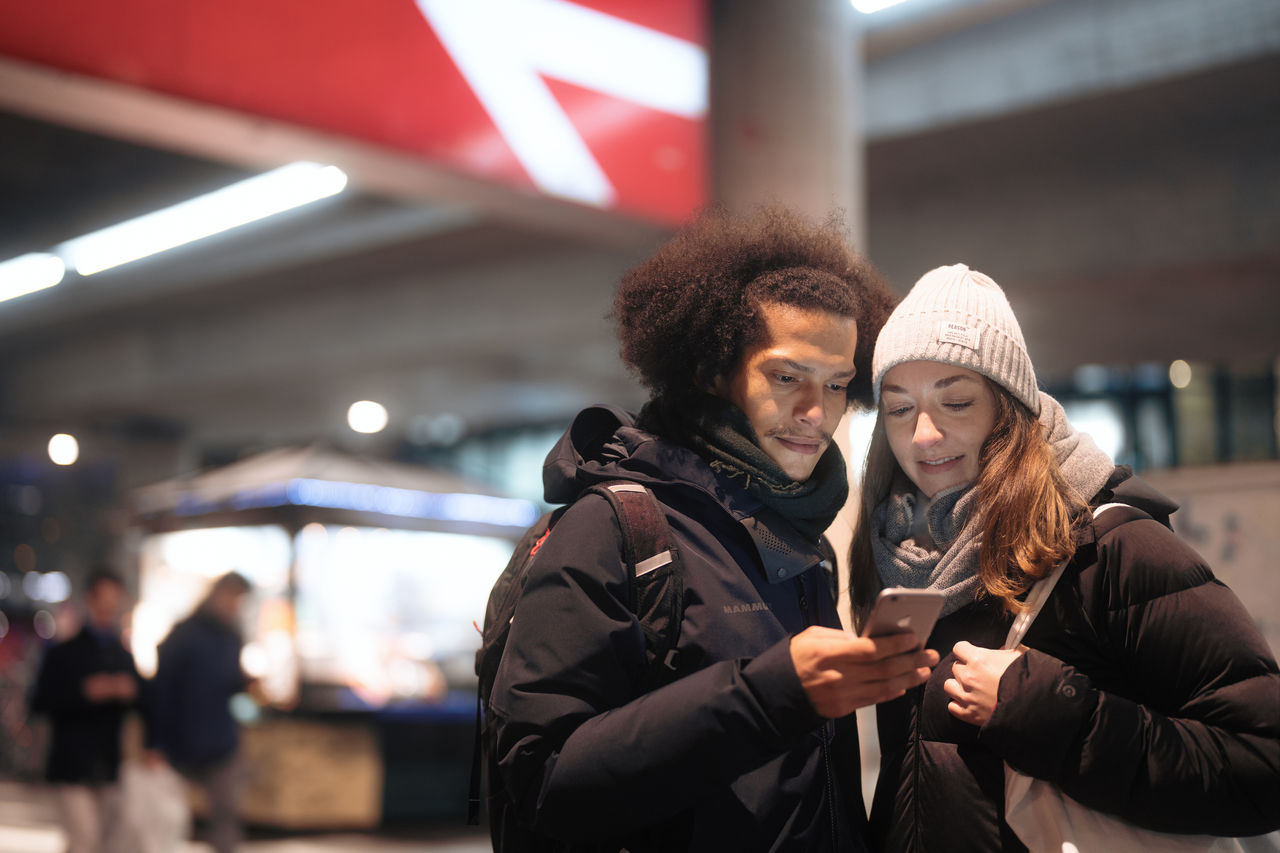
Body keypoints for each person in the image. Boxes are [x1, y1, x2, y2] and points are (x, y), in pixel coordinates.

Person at [490, 207, 939, 852]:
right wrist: (768, 693)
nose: (817, 414)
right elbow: (544, 780)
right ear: (710, 369)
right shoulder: (614, 528)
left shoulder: (804, 543)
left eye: (838, 384)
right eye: (786, 378)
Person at [848, 263, 1280, 850]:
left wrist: (1045, 707)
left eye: (956, 402)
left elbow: (1264, 761)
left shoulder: (1112, 548)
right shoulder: (898, 555)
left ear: (1009, 406)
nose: (923, 434)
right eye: (900, 409)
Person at [28, 567, 141, 853]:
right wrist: (85, 692)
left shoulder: (122, 655)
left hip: (108, 764)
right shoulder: (64, 653)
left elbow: (144, 702)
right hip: (71, 765)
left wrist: (128, 692)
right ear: (90, 600)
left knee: (99, 842)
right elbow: (40, 702)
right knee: (84, 840)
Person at [147, 571, 252, 853]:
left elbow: (228, 683)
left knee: (225, 817)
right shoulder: (186, 634)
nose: (235, 605)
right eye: (232, 598)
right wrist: (155, 742)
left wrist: (244, 683)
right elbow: (162, 689)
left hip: (220, 742)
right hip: (181, 742)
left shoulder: (232, 636)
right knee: (170, 820)